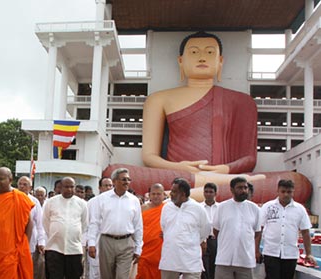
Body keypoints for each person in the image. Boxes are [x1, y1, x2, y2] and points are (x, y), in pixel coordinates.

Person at [104, 31, 310, 204]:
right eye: (194, 52)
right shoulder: (158, 99)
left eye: (209, 52)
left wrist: (225, 168)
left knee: (295, 183)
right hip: (177, 175)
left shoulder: (242, 102)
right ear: (181, 61)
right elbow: (149, 157)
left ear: (220, 62)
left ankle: (171, 196)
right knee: (113, 172)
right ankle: (203, 188)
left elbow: (250, 159)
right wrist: (180, 168)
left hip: (226, 176)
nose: (202, 57)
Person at [87, 168, 143, 279]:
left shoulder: (133, 200)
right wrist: (91, 243)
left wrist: (139, 247)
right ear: (115, 181)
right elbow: (95, 222)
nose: (127, 182)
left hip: (126, 243)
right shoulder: (102, 199)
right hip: (106, 242)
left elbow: (138, 226)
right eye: (123, 179)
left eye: (128, 180)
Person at [208, 177, 262, 279]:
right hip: (224, 259)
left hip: (246, 261)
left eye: (245, 188)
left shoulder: (254, 209)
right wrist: (227, 243)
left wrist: (255, 250)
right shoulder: (223, 207)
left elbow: (258, 232)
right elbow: (216, 231)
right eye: (240, 188)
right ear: (232, 190)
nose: (244, 190)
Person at [259, 179, 316, 279]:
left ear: (293, 192)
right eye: (283, 191)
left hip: (290, 254)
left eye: (289, 192)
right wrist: (256, 249)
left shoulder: (299, 210)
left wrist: (309, 253)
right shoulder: (268, 207)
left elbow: (305, 231)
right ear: (278, 191)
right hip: (271, 252)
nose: (286, 194)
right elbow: (259, 228)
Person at [159, 178, 209, 279]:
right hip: (170, 256)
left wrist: (191, 242)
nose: (170, 193)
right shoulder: (166, 208)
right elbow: (164, 228)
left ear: (183, 193)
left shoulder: (197, 209)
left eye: (174, 191)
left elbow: (204, 231)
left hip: (191, 258)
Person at [41, 177, 88, 279]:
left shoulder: (82, 204)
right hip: (55, 247)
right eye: (66, 187)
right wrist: (57, 235)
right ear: (60, 187)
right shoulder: (51, 202)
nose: (69, 189)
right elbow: (45, 223)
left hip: (74, 248)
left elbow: (84, 224)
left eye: (71, 187)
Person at [134, 183, 166, 279]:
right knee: (140, 278)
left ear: (164, 195)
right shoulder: (142, 208)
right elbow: (136, 227)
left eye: (159, 194)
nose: (156, 196)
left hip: (160, 248)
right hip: (144, 248)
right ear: (149, 195)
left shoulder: (168, 209)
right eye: (153, 193)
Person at [86, 177, 113, 279]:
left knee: (110, 274)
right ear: (100, 187)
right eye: (106, 185)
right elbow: (88, 224)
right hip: (95, 241)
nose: (108, 188)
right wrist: (89, 242)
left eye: (110, 185)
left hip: (112, 242)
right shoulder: (92, 202)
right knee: (95, 274)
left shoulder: (116, 202)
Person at [17, 176, 44, 279]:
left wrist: (41, 241)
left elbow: (40, 223)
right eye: (20, 184)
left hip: (29, 240)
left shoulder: (34, 202)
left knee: (27, 267)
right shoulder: (12, 198)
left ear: (30, 187)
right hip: (13, 239)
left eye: (25, 184)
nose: (22, 186)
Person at [200, 182, 219, 279]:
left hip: (218, 241)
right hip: (203, 241)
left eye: (211, 192)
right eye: (206, 191)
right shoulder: (199, 208)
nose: (208, 194)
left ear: (215, 193)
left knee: (215, 271)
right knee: (204, 271)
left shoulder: (222, 208)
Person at [33, 186, 48, 279]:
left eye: (41, 195)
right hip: (33, 237)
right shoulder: (32, 203)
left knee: (43, 262)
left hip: (45, 238)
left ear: (45, 196)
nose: (39, 197)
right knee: (34, 263)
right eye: (37, 195)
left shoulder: (49, 205)